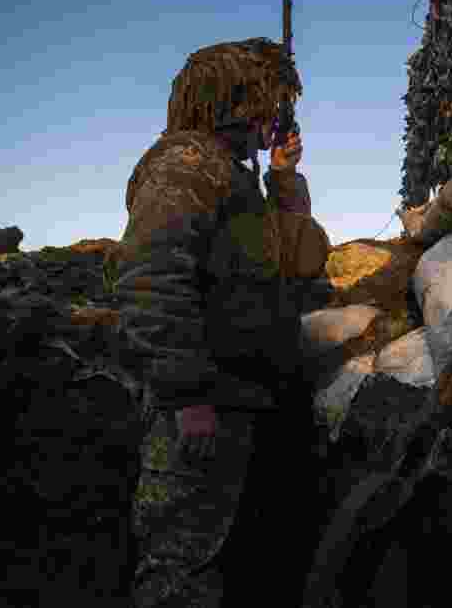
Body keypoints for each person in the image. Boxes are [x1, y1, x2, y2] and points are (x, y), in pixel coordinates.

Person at [104, 37, 319, 606]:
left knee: (235, 558)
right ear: (236, 101)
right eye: (267, 106)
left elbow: (297, 260)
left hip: (245, 398)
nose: (272, 120)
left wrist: (285, 178)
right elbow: (152, 277)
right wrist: (186, 394)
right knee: (180, 564)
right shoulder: (188, 164)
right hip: (204, 406)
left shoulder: (238, 180)